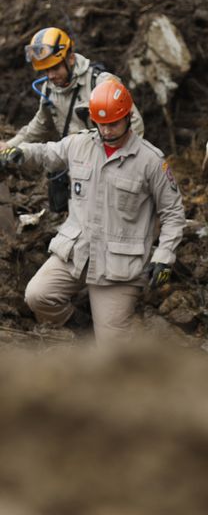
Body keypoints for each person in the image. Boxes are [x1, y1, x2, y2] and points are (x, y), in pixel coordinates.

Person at [0, 75, 185, 346]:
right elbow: (45, 153)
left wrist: (164, 257)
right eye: (101, 124)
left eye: (112, 124)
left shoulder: (150, 161)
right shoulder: (79, 144)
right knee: (37, 296)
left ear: (127, 118)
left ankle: (107, 336)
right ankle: (83, 329)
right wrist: (20, 152)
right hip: (76, 252)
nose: (107, 131)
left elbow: (173, 213)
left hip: (118, 266)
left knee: (112, 350)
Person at [3, 26, 145, 149]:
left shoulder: (101, 83)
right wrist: (9, 146)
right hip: (75, 165)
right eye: (46, 70)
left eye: (55, 68)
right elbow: (39, 125)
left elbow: (134, 123)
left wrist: (120, 161)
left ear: (70, 59)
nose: (51, 76)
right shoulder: (49, 89)